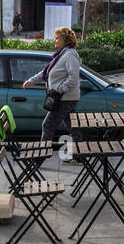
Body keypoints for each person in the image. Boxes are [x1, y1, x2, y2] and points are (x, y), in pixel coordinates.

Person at [23, 26, 83, 160]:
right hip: (63, 97)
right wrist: (31, 80)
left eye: (57, 38)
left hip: (65, 98)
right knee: (73, 127)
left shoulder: (70, 54)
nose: (54, 41)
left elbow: (73, 78)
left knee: (48, 124)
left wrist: (58, 89)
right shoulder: (61, 54)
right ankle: (80, 156)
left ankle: (40, 156)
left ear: (64, 40)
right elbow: (46, 72)